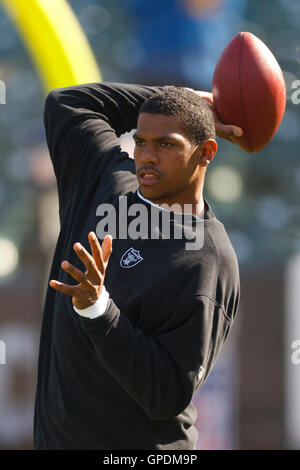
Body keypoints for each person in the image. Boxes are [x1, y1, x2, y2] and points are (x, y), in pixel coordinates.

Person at [33, 82, 243, 450]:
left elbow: (166, 395)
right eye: (141, 141)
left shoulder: (207, 259)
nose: (146, 155)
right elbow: (68, 102)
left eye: (166, 144)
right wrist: (189, 99)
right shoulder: (104, 182)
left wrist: (98, 309)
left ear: (205, 152)